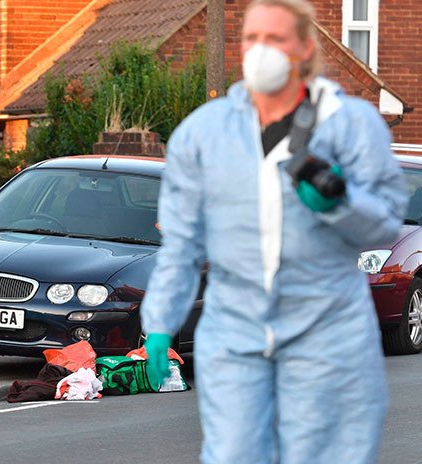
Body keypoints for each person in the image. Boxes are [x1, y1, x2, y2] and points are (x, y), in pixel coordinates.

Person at [139, 1, 407, 463]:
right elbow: (182, 245)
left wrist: (339, 205)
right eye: (252, 38)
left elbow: (384, 222)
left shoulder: (351, 125)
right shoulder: (205, 133)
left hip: (328, 330)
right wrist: (160, 322)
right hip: (235, 330)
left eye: (276, 39)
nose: (260, 50)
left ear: (304, 47)